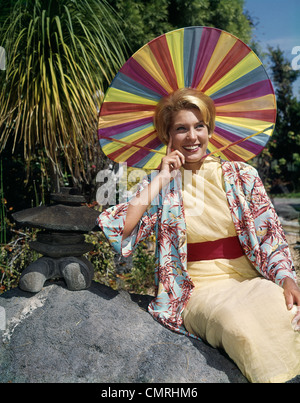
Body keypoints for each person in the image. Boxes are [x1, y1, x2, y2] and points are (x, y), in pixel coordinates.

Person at [97, 87, 300, 383]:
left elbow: (271, 234)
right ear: (168, 136)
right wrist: (161, 178)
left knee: (284, 313)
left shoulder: (241, 175)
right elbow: (120, 229)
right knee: (237, 326)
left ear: (209, 129)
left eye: (199, 126)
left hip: (249, 277)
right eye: (181, 129)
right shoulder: (162, 184)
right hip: (196, 290)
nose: (192, 137)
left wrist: (287, 278)